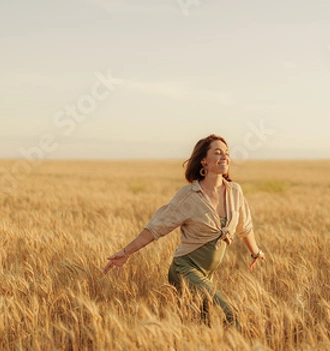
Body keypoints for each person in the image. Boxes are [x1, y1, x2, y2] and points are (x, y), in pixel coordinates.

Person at [103, 134, 265, 326]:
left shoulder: (234, 192)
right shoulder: (189, 196)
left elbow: (244, 226)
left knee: (205, 323)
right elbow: (156, 228)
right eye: (218, 152)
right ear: (204, 160)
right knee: (228, 313)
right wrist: (125, 252)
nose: (224, 157)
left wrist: (255, 252)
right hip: (184, 269)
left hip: (207, 275)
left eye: (227, 153)